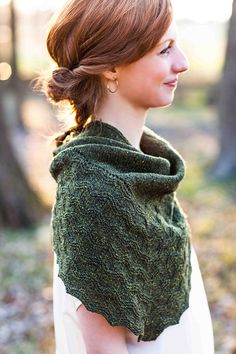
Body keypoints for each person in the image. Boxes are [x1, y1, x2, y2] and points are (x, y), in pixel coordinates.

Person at [42, 0, 215, 353]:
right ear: (112, 66)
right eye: (164, 50)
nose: (183, 63)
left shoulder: (146, 169)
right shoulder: (93, 191)